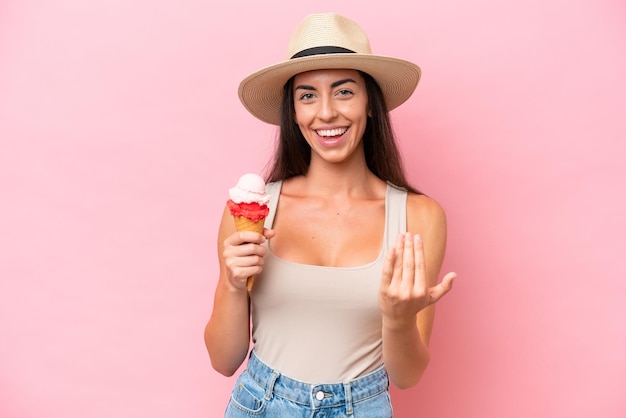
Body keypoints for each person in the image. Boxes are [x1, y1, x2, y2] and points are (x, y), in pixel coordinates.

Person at [204, 12, 457, 417]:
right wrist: (234, 284)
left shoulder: (419, 217)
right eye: (307, 96)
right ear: (294, 113)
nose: (325, 113)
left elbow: (407, 375)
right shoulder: (255, 211)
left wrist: (397, 319)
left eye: (343, 92)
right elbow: (223, 360)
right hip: (261, 406)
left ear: (371, 104)